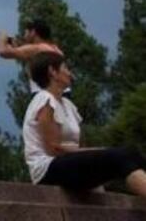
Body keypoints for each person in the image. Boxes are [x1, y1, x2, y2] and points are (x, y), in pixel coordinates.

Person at [22, 52, 146, 196]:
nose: (70, 74)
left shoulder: (69, 105)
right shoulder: (44, 99)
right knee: (121, 156)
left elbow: (81, 146)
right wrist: (99, 151)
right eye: (65, 68)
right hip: (48, 169)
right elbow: (54, 149)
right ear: (52, 72)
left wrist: (97, 152)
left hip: (68, 163)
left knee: (133, 154)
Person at [0, 18, 63, 92]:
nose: (24, 35)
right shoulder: (55, 49)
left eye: (26, 31)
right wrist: (17, 48)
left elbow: (2, 52)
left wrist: (2, 37)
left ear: (33, 32)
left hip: (43, 92)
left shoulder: (36, 48)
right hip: (60, 91)